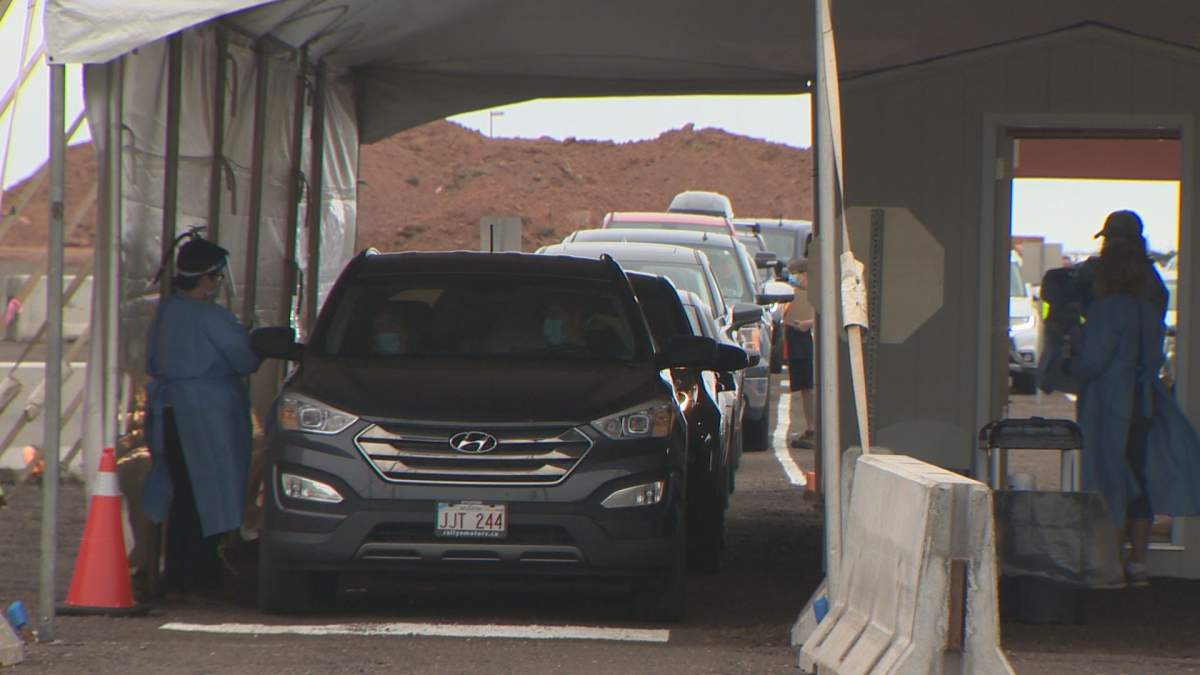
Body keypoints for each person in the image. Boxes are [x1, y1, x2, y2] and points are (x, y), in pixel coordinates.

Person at [1070, 219, 1200, 588]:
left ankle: (1108, 562)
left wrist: (1070, 362)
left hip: (1109, 405)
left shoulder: (1107, 309)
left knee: (1109, 477)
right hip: (1142, 403)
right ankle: (1137, 563)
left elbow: (1093, 362)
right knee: (1137, 478)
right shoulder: (1150, 302)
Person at [142, 236, 263, 599]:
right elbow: (245, 359)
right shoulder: (212, 317)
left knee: (183, 495)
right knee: (208, 495)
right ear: (209, 279)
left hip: (170, 411)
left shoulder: (166, 311)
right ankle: (201, 576)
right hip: (205, 415)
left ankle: (178, 573)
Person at [784, 259, 817, 449]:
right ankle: (810, 428)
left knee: (810, 386)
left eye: (796, 276)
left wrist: (808, 324)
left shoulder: (818, 293)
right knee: (804, 387)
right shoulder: (794, 294)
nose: (793, 280)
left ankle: (815, 429)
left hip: (807, 340)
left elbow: (826, 315)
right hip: (796, 338)